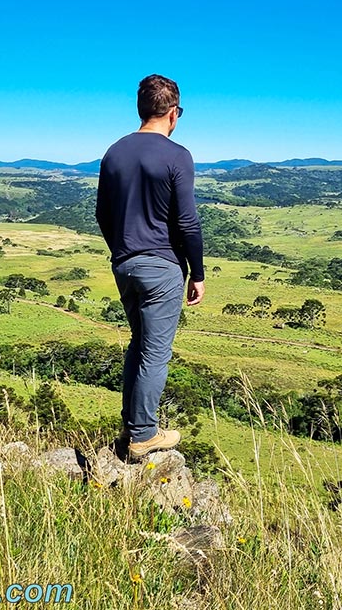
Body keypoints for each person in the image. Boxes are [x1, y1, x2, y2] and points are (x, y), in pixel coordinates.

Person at [95, 74, 205, 458]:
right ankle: (144, 434)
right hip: (162, 267)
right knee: (155, 353)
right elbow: (187, 222)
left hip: (124, 264)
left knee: (138, 345)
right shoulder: (177, 155)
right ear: (174, 113)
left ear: (140, 109)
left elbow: (102, 214)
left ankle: (131, 429)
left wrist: (121, 252)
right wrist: (198, 273)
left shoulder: (114, 153)